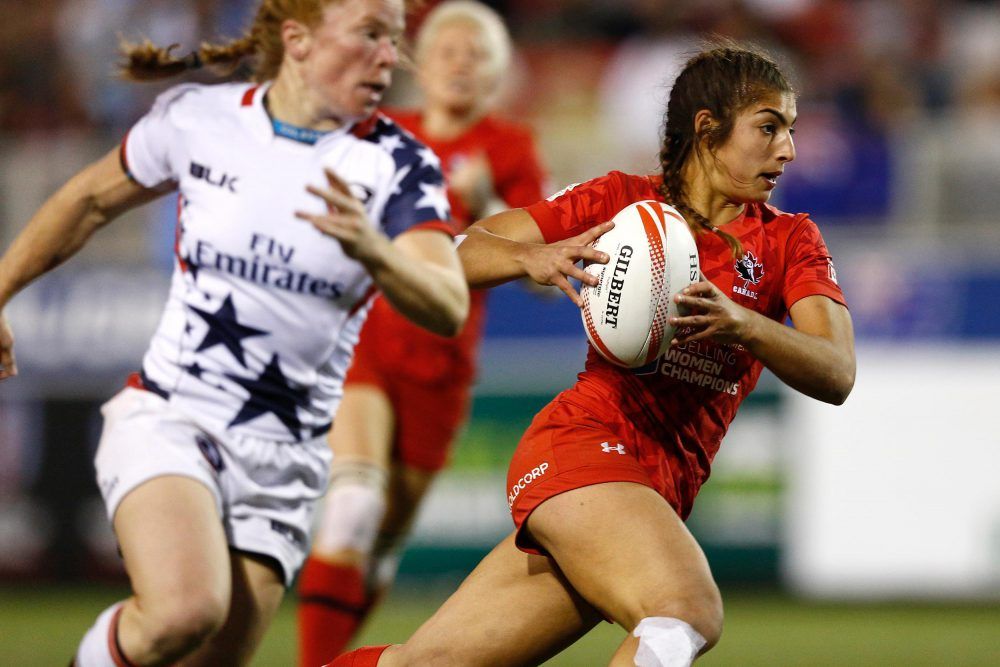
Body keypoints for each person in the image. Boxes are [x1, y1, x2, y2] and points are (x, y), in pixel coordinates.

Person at [330, 42, 856, 667]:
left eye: (790, 131)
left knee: (428, 664)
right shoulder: (620, 201)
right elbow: (457, 251)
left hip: (656, 487)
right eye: (768, 128)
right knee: (685, 609)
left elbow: (837, 371)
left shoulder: (789, 239)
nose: (787, 150)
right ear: (707, 128)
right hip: (584, 444)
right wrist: (529, 256)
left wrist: (745, 325)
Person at [0, 0, 470, 664]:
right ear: (298, 40)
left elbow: (448, 303)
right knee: (183, 611)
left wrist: (377, 250)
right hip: (173, 416)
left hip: (285, 462)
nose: (390, 57)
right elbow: (88, 199)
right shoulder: (201, 119)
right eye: (370, 34)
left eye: (394, 40)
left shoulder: (399, 164)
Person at [296, 2, 546, 664]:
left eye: (476, 54)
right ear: (422, 63)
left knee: (381, 543)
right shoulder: (381, 133)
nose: (461, 63)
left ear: (496, 73)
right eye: (448, 50)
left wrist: (490, 200)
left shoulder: (510, 147)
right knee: (352, 501)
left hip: (442, 365)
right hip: (369, 342)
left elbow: (540, 273)